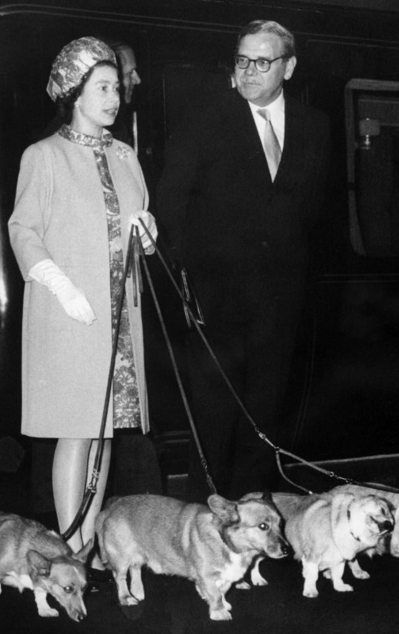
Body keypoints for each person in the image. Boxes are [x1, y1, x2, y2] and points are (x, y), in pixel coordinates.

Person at [156, 20, 331, 502]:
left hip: (281, 303)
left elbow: (311, 216)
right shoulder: (205, 120)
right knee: (213, 422)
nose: (249, 71)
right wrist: (190, 285)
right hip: (215, 303)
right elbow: (170, 208)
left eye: (262, 61)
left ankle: (255, 518)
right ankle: (203, 527)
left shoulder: (315, 128)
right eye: (241, 60)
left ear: (288, 67)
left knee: (265, 418)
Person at [8, 36, 157, 554]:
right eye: (102, 87)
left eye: (117, 86)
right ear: (74, 92)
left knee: (106, 431)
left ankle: (88, 543)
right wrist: (58, 283)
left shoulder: (126, 156)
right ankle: (69, 547)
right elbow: (23, 229)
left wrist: (147, 237)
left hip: (119, 319)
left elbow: (136, 234)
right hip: (71, 314)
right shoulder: (43, 156)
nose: (114, 97)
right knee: (76, 430)